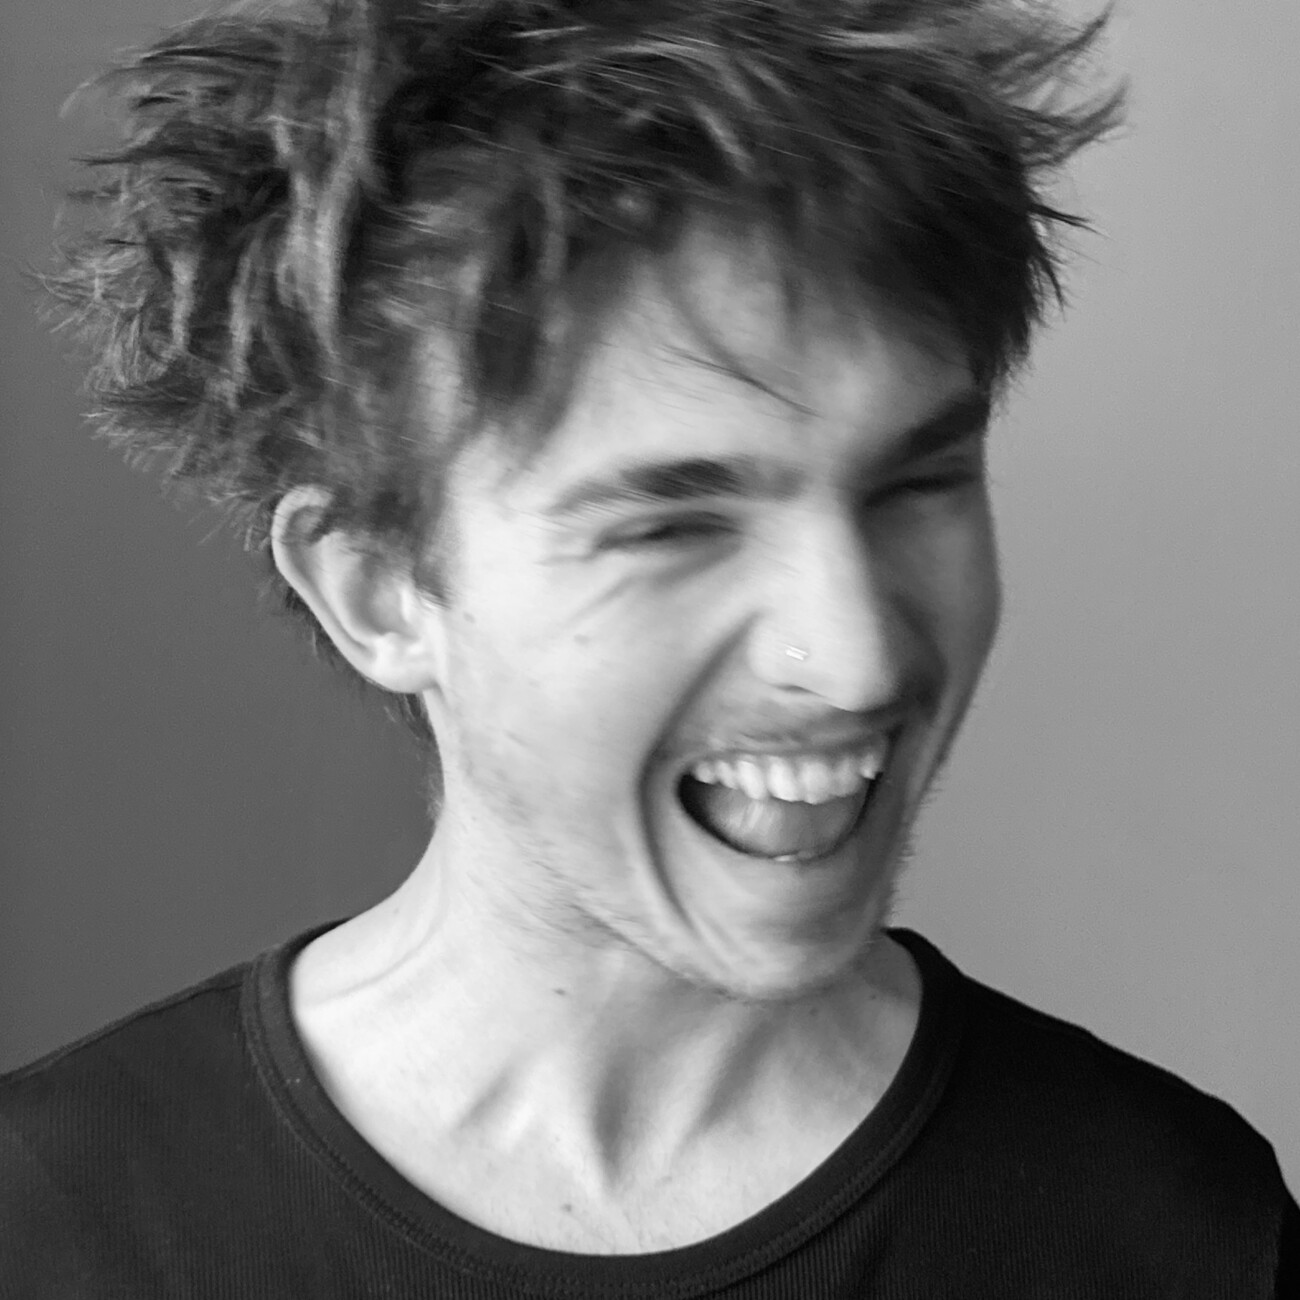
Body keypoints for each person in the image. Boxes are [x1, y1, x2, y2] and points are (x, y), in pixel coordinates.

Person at [2, 0, 1295, 1293]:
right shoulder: (55, 1220)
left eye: (916, 485)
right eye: (675, 527)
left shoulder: (1172, 1228)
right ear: (379, 591)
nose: (859, 660)